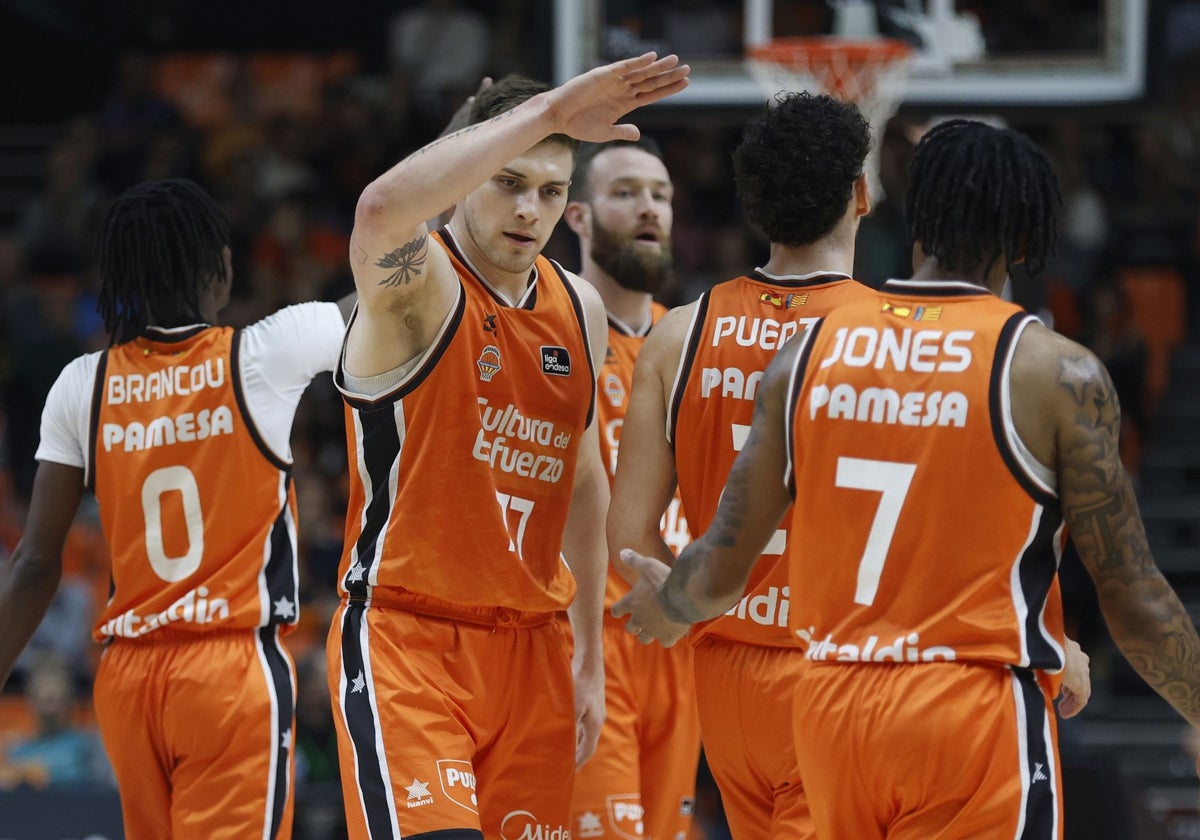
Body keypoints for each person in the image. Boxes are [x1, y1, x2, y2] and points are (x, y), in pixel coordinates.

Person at [615, 118, 1200, 838]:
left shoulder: (807, 353)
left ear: (908, 216)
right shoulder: (1055, 370)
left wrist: (669, 604)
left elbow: (721, 561)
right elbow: (1134, 598)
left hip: (833, 708)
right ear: (1024, 243)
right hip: (964, 706)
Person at [328, 54, 690, 840]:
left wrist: (591, 654)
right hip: (409, 636)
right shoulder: (419, 285)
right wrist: (551, 110)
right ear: (474, 173)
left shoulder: (581, 308)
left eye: (552, 192)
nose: (531, 209)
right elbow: (380, 209)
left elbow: (585, 480)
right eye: (509, 181)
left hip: (535, 649)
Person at [0, 177, 353, 839]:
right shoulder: (261, 354)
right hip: (226, 671)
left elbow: (33, 565)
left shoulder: (84, 383)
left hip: (128, 680)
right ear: (215, 266)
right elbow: (395, 290)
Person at [562, 138, 700, 840]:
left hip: (681, 645)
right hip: (588, 638)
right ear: (578, 216)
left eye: (662, 194)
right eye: (626, 193)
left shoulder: (695, 346)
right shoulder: (551, 326)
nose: (649, 207)